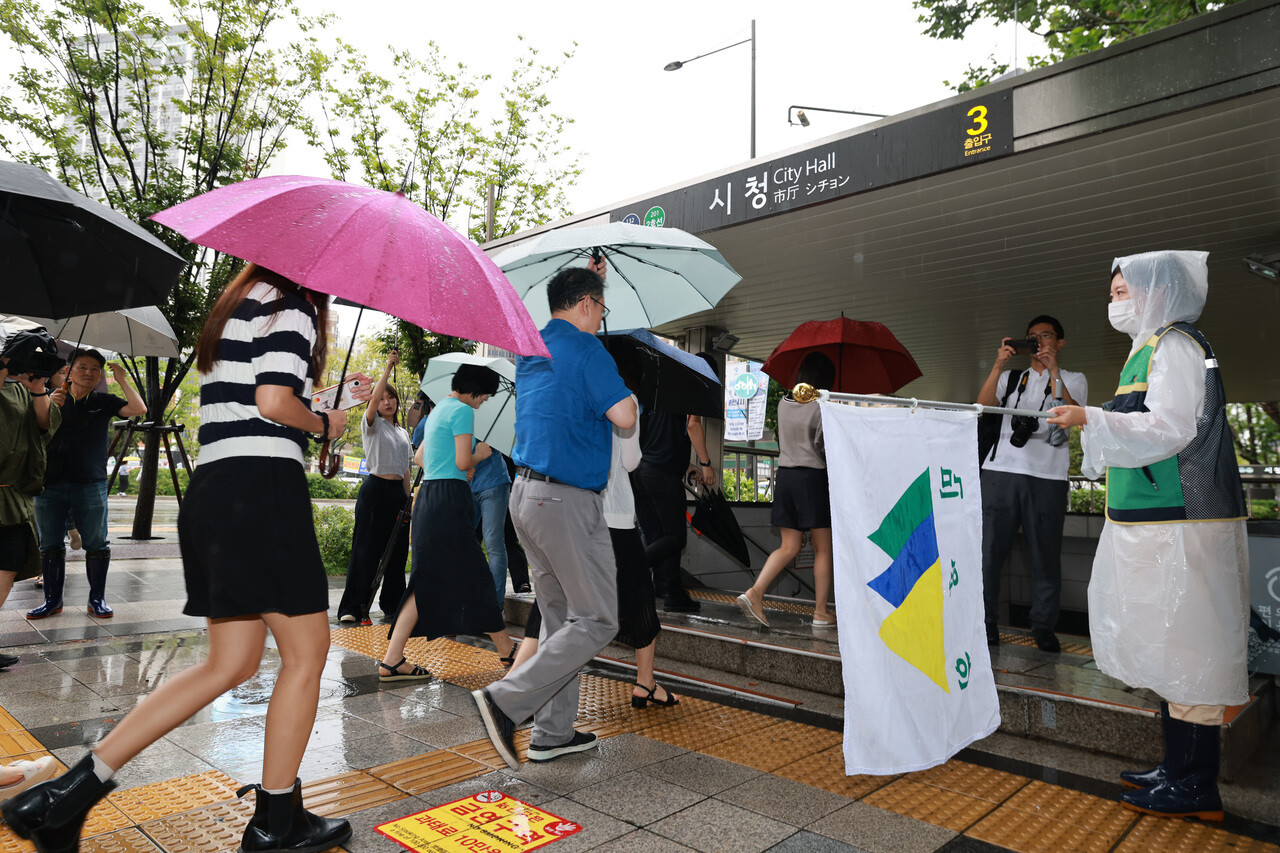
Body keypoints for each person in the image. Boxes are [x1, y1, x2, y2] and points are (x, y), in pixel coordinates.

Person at [1, 263, 352, 852]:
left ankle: (65, 798)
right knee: (306, 654)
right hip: (261, 490)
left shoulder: (234, 310)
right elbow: (272, 401)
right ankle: (276, 822)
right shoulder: (288, 307)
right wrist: (324, 422)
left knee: (229, 664)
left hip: (215, 491)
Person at [1048, 250, 1247, 822]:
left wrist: (1091, 418)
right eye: (1112, 293)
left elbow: (1171, 427)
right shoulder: (1147, 349)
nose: (1114, 301)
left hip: (1184, 522)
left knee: (1190, 646)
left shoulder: (1177, 346)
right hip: (1153, 522)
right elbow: (1137, 423)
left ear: (1157, 291)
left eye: (1122, 292)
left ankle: (1196, 784)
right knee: (1168, 645)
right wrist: (1092, 416)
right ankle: (1176, 768)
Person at [473, 263, 636, 769]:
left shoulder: (531, 347)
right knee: (599, 618)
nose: (600, 318)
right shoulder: (590, 349)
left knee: (561, 618)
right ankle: (506, 700)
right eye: (600, 307)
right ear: (587, 303)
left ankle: (553, 732)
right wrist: (627, 393)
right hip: (567, 502)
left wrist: (591, 277)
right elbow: (625, 418)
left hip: (525, 496)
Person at [507, 386, 679, 710]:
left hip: (565, 511)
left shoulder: (564, 395)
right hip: (612, 515)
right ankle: (645, 683)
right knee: (640, 595)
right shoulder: (624, 398)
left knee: (552, 603)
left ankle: (516, 683)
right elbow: (630, 462)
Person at [378, 363, 515, 682]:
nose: (483, 403)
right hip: (450, 501)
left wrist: (456, 469)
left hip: (429, 497)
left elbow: (420, 458)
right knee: (477, 572)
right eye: (485, 397)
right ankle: (507, 650)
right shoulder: (464, 411)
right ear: (475, 391)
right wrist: (478, 455)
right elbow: (463, 460)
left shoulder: (438, 410)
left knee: (425, 579)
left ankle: (392, 659)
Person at [976, 315, 1086, 652]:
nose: (1038, 342)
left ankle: (1043, 628)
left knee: (1046, 555)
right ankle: (986, 623)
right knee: (990, 553)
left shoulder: (1073, 378)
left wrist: (1053, 374)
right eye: (1032, 337)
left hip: (1048, 476)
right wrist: (997, 365)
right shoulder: (1011, 378)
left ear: (1060, 342)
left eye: (1045, 336)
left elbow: (1077, 412)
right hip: (1000, 472)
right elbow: (982, 406)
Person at [29, 348, 146, 620]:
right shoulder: (50, 398)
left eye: (95, 369)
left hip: (90, 481)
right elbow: (38, 427)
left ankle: (97, 599)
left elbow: (139, 409)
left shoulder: (103, 401)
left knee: (97, 542)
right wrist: (49, 403)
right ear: (68, 371)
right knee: (49, 544)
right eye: (82, 367)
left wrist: (123, 380)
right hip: (50, 481)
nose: (89, 373)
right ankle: (52, 601)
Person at [736, 351, 836, 628]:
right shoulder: (822, 405)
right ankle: (820, 612)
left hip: (786, 478)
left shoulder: (783, 401)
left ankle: (755, 592)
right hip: (812, 479)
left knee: (789, 546)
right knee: (823, 550)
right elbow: (823, 448)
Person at [0, 329, 65, 675]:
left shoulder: (32, 393)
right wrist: (8, 362)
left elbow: (44, 422)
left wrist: (38, 383)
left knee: (9, 560)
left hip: (13, 497)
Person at [336, 351, 411, 625]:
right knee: (366, 550)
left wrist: (408, 499)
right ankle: (353, 607)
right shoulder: (371, 425)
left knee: (397, 552)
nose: (387, 402)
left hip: (397, 495)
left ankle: (393, 606)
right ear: (375, 404)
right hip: (375, 490)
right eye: (383, 398)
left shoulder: (403, 433)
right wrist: (388, 367)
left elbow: (406, 469)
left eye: (392, 398)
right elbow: (374, 397)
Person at [631, 404, 717, 613]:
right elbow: (693, 425)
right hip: (663, 474)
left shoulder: (655, 394)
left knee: (657, 535)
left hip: (641, 472)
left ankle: (666, 588)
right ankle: (629, 570)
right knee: (675, 537)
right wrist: (706, 463)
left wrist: (686, 465)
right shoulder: (686, 393)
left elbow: (654, 437)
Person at [470, 439, 512, 606]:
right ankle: (465, 600)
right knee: (461, 545)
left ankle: (494, 605)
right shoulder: (455, 414)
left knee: (493, 543)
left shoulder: (491, 419)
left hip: (493, 483)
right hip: (464, 485)